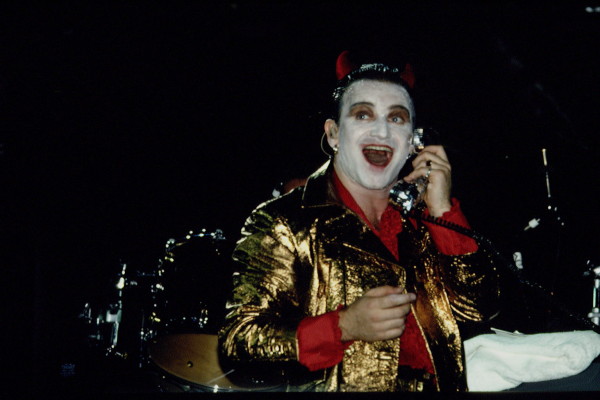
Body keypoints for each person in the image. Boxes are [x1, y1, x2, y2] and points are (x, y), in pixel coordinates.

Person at [218, 50, 500, 392]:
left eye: (397, 118)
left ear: (413, 141)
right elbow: (239, 344)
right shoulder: (284, 220)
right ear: (333, 134)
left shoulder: (424, 220)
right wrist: (343, 326)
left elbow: (480, 311)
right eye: (363, 114)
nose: (382, 130)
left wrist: (442, 210)